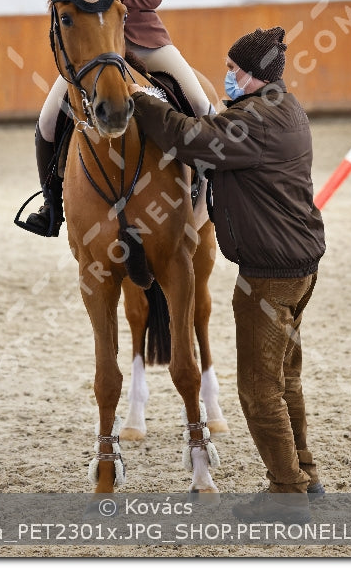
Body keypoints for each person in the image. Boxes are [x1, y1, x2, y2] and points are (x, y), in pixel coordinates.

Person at [128, 26, 326, 524]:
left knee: (259, 392)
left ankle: (287, 495)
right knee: (287, 380)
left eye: (235, 71)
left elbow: (187, 139)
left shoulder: (254, 124)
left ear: (256, 77)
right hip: (299, 266)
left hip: (268, 276)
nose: (228, 77)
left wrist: (144, 100)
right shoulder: (284, 107)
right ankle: (305, 473)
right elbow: (223, 126)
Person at [25, 0, 211, 237]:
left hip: (145, 39)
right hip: (94, 46)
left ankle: (213, 193)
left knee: (201, 104)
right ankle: (52, 204)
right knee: (46, 120)